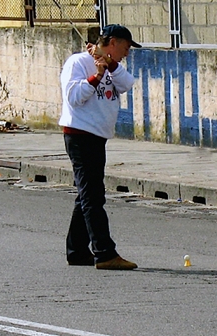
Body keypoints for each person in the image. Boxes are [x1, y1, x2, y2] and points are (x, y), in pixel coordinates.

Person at [58, 24, 141, 270]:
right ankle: (104, 252)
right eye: (124, 48)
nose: (126, 54)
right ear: (112, 42)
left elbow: (127, 83)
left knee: (87, 194)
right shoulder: (78, 63)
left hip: (97, 136)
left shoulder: (115, 68)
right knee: (93, 196)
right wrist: (96, 75)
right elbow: (73, 97)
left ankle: (76, 251)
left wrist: (110, 64)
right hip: (80, 134)